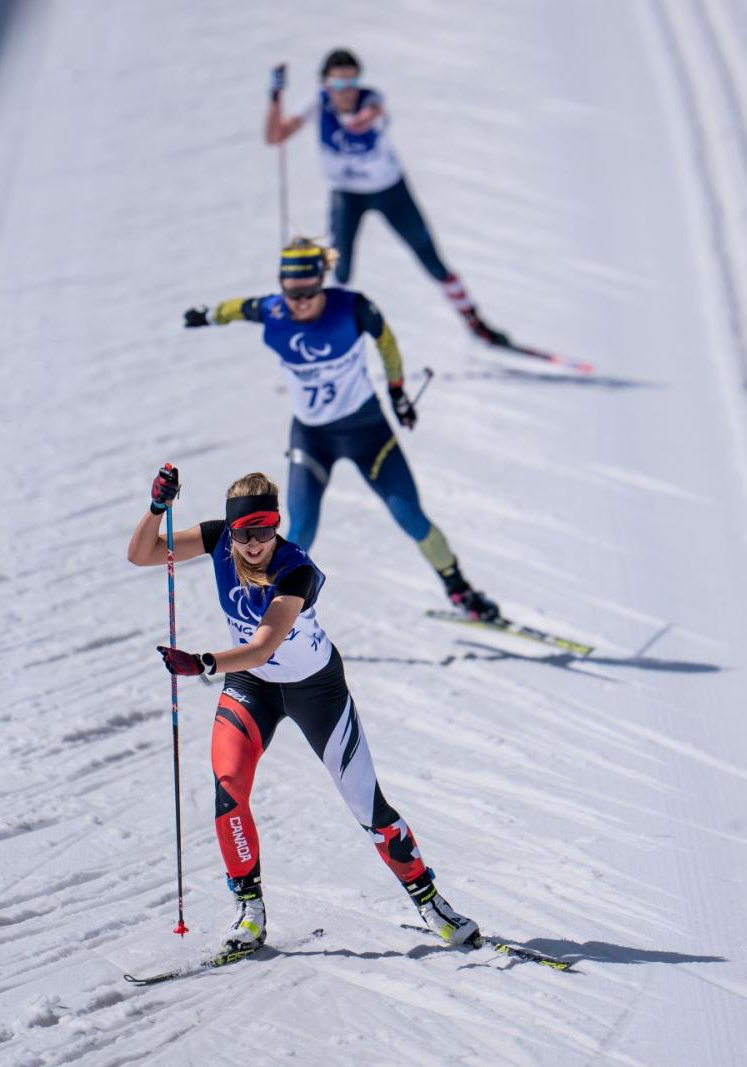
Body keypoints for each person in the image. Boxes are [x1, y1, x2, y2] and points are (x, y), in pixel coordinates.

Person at [128, 466, 480, 955]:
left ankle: (430, 901)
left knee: (367, 806)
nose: (254, 544)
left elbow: (263, 645)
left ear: (276, 527)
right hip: (252, 688)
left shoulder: (295, 569)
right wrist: (157, 509)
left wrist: (202, 662)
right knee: (228, 791)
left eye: (265, 531)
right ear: (230, 529)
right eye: (244, 533)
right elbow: (142, 553)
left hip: (317, 690)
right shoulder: (217, 540)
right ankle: (249, 911)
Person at [183, 237, 500, 622]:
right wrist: (208, 314)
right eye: (292, 293)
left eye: (310, 292)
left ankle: (460, 590)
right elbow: (237, 309)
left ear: (323, 282)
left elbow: (386, 341)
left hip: (368, 433)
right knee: (299, 531)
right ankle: (266, 619)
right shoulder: (273, 311)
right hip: (312, 438)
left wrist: (398, 392)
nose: (300, 302)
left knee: (411, 517)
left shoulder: (352, 308)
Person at [264, 48, 510, 345]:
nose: (346, 91)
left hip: (390, 191)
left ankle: (476, 323)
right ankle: (319, 330)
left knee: (432, 260)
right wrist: (276, 96)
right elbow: (275, 137)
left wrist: (354, 113)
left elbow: (362, 121)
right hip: (347, 195)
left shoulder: (370, 100)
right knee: (337, 269)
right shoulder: (318, 102)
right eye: (339, 84)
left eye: (352, 81)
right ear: (326, 84)